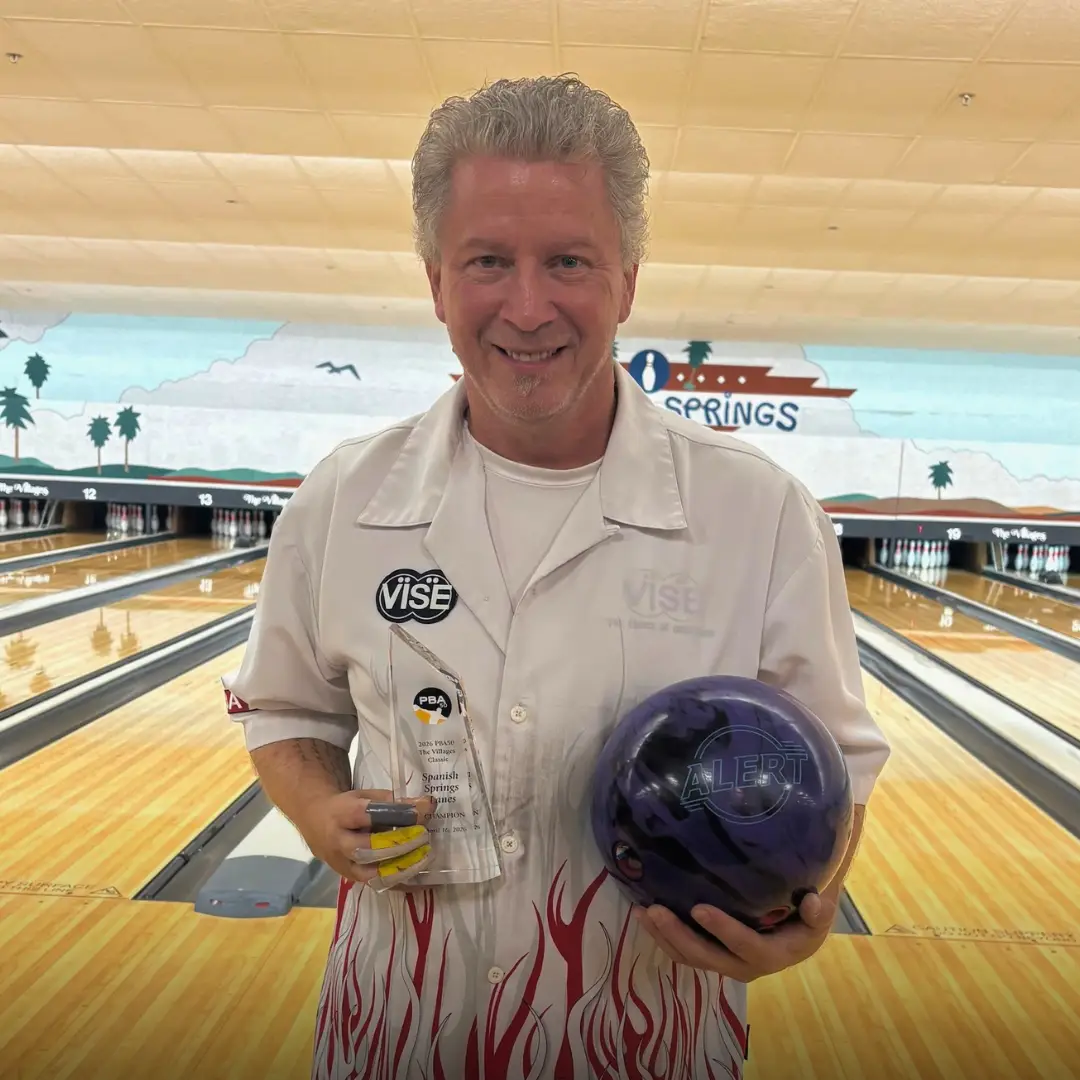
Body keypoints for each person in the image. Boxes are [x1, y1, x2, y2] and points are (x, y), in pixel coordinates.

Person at [223, 74, 891, 1080]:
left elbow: (841, 761)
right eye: (488, 260)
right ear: (437, 279)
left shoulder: (759, 517)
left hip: (647, 1052)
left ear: (625, 278)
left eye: (568, 261)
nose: (526, 307)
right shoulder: (342, 501)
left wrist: (812, 901)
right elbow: (285, 714)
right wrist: (318, 813)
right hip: (391, 1047)